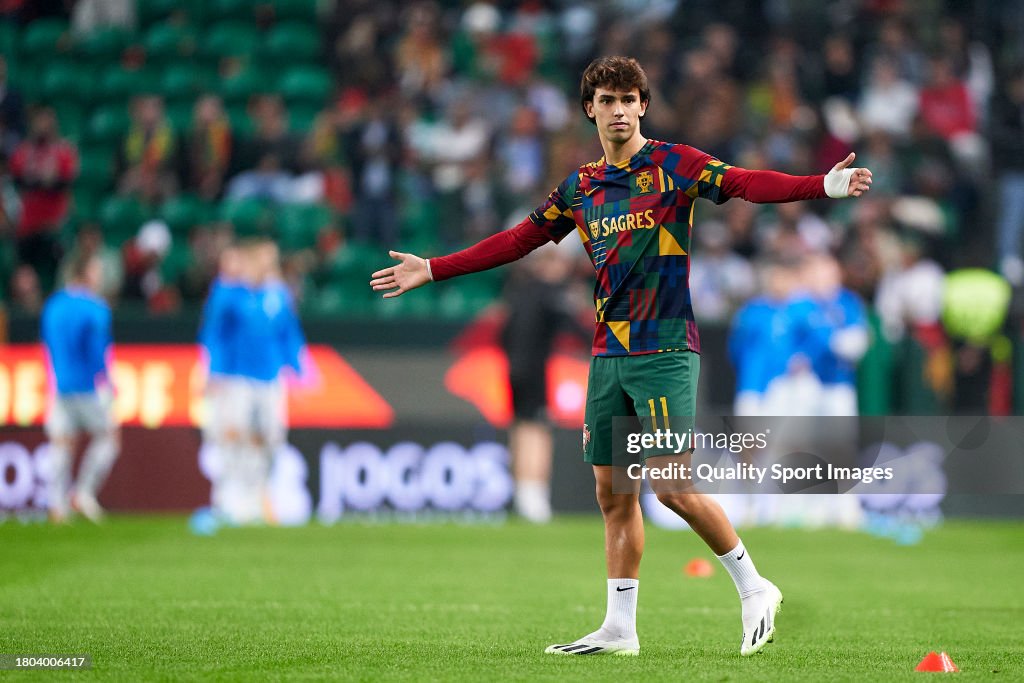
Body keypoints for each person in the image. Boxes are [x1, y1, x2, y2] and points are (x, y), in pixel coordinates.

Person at [370, 56, 872, 656]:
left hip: (663, 348)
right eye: (605, 100)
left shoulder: (674, 165)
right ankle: (619, 627)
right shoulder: (580, 187)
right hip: (609, 352)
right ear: (590, 109)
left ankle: (754, 586)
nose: (617, 110)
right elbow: (517, 241)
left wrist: (821, 185)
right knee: (614, 495)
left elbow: (743, 183)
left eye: (627, 99)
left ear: (642, 105)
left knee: (672, 488)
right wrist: (434, 267)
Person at [199, 238, 308, 525]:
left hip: (270, 378)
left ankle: (260, 492)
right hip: (237, 379)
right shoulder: (229, 294)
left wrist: (299, 370)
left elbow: (288, 333)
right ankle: (231, 499)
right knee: (237, 437)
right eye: (262, 259)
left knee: (272, 438)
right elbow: (214, 335)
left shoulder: (278, 294)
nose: (267, 265)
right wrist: (214, 372)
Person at [41, 253, 118, 523]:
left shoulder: (52, 305)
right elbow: (98, 351)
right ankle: (83, 493)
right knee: (108, 438)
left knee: (62, 443)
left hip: (58, 385)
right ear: (85, 273)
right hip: (87, 386)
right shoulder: (95, 308)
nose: (100, 277)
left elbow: (47, 348)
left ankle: (56, 504)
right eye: (96, 271)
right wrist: (107, 381)